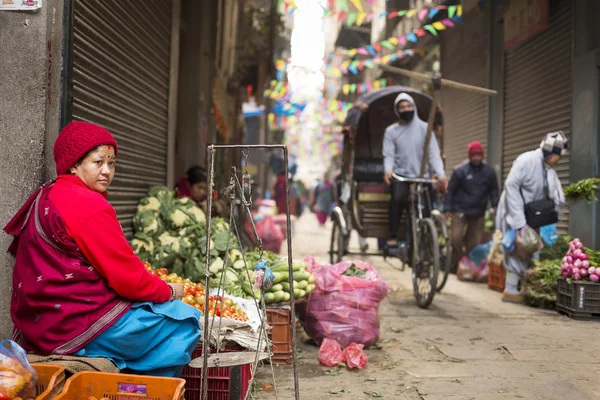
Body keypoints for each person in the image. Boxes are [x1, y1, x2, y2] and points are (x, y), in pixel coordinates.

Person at [4, 122, 201, 377]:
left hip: (37, 323)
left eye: (112, 163)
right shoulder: (88, 205)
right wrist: (168, 291)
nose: (107, 171)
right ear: (74, 165)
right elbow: (128, 280)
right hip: (70, 325)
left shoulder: (48, 193)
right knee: (185, 321)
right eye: (98, 162)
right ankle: (140, 387)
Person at [495, 131, 568, 303]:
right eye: (558, 156)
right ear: (550, 153)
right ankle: (510, 290)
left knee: (529, 249)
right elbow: (511, 185)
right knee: (517, 248)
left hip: (531, 216)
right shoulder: (526, 160)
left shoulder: (548, 168)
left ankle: (523, 288)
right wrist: (519, 221)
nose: (559, 160)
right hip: (514, 211)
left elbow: (553, 193)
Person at [382, 93, 446, 248]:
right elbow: (388, 154)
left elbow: (433, 154)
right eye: (402, 107)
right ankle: (393, 235)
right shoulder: (391, 131)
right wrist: (388, 170)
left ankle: (425, 243)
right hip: (401, 176)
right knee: (397, 199)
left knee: (426, 208)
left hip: (422, 177)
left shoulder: (425, 128)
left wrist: (441, 174)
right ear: (397, 110)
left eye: (409, 106)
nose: (406, 109)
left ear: (414, 107)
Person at [444, 141, 499, 270]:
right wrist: (447, 209)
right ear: (469, 156)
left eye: (478, 155)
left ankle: (467, 266)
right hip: (460, 210)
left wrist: (496, 206)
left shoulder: (489, 172)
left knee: (474, 242)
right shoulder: (459, 171)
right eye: (474, 155)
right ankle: (459, 260)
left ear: (482, 156)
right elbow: (450, 191)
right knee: (456, 238)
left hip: (478, 211)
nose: (476, 158)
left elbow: (494, 191)